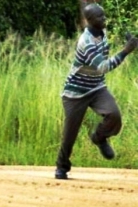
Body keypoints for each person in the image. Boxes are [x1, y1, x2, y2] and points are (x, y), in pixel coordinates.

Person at [55, 3, 138, 180]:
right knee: (70, 134)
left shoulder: (102, 33)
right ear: (90, 21)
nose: (104, 19)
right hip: (75, 92)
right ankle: (62, 167)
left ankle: (99, 137)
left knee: (114, 115)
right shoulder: (86, 41)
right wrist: (126, 51)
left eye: (104, 15)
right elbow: (102, 67)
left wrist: (127, 46)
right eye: (100, 17)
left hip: (96, 87)